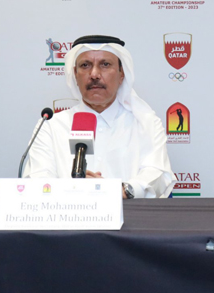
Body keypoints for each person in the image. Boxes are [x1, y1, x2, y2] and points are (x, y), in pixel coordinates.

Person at [25, 35, 174, 198]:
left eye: (105, 64)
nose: (94, 74)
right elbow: (37, 180)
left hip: (132, 219)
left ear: (121, 74)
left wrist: (121, 191)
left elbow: (157, 175)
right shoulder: (51, 126)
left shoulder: (146, 123)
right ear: (75, 74)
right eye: (85, 65)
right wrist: (75, 189)